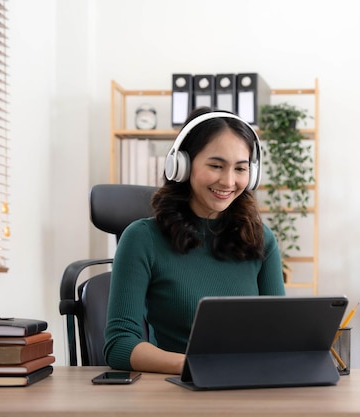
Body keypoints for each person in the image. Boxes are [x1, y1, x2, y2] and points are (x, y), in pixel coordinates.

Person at [103, 107, 286, 374]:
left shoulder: (260, 238)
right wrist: (193, 365)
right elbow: (120, 345)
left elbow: (279, 333)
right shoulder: (142, 239)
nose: (229, 181)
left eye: (240, 168)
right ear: (182, 165)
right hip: (179, 392)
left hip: (247, 388)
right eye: (215, 166)